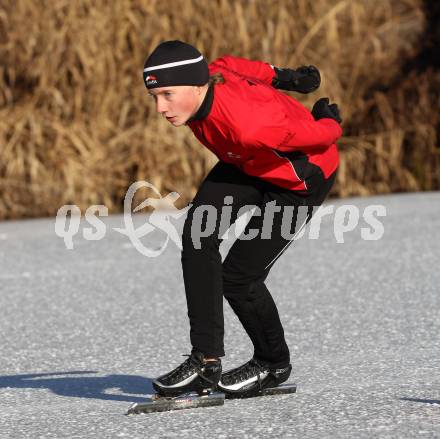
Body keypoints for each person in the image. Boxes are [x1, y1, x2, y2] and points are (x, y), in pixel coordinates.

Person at [142, 40, 342, 398]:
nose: (161, 107)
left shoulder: (251, 125)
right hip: (247, 163)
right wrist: (288, 78)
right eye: (155, 96)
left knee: (240, 278)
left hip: (298, 181)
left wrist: (327, 119)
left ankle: (272, 362)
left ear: (196, 85)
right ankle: (206, 360)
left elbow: (321, 136)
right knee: (199, 237)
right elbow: (236, 64)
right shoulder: (212, 75)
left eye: (168, 95)